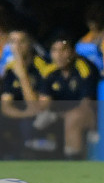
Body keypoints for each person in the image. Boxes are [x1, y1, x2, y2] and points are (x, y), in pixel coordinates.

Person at [0, 25, 51, 159]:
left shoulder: (43, 67)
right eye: (13, 42)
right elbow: (6, 106)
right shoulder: (10, 69)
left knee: (28, 125)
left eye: (21, 42)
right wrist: (23, 114)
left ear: (30, 44)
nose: (16, 46)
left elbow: (36, 107)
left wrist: (23, 75)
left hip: (42, 114)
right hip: (22, 113)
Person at [37, 32, 99, 160]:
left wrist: (60, 115)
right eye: (54, 50)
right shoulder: (50, 72)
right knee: (38, 120)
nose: (59, 55)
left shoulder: (84, 68)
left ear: (72, 52)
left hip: (90, 115)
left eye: (64, 50)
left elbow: (86, 105)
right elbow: (44, 103)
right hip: (59, 114)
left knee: (73, 117)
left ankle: (73, 160)